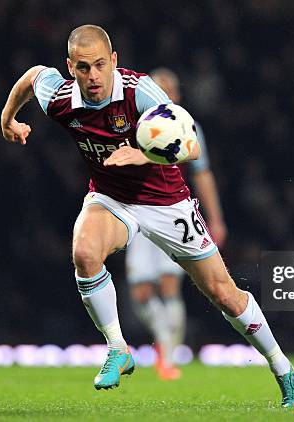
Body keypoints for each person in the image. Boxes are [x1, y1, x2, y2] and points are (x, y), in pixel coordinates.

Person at [0, 24, 294, 409]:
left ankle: (283, 369)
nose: (93, 76)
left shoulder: (139, 91)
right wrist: (8, 118)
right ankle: (118, 348)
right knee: (84, 251)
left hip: (167, 202)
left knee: (223, 294)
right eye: (83, 68)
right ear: (70, 67)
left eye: (100, 65)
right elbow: (32, 78)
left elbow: (192, 146)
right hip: (112, 198)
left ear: (113, 61)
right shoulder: (61, 97)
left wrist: (142, 154)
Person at [125, 67, 227, 380]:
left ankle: (167, 357)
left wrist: (216, 219)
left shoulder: (187, 127)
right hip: (137, 212)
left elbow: (202, 173)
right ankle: (165, 349)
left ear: (178, 96)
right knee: (141, 291)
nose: (164, 95)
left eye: (170, 90)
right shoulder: (134, 123)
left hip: (173, 212)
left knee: (169, 286)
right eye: (159, 89)